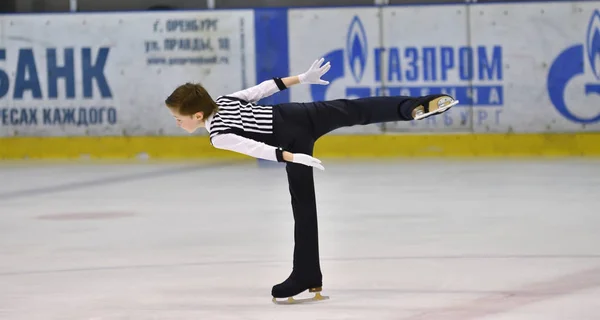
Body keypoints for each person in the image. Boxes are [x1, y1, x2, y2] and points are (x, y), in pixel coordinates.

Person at [164, 58, 458, 303]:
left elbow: (257, 149)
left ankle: (306, 275)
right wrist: (302, 78)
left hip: (289, 142)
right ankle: (413, 106)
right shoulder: (226, 101)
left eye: (179, 119)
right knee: (354, 109)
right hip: (299, 114)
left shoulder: (218, 135)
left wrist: (291, 157)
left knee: (304, 209)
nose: (179, 124)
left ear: (197, 114)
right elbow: (264, 89)